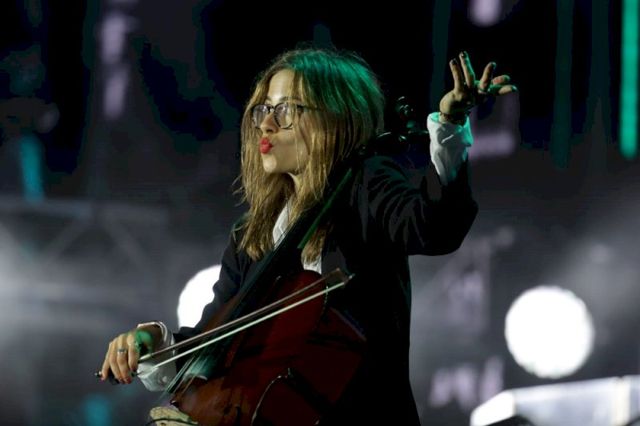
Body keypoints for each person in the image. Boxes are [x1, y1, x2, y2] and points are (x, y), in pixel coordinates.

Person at [100, 46, 517, 425]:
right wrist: (151, 340)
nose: (265, 124)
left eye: (284, 110)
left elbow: (433, 228)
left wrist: (450, 126)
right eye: (263, 109)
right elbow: (212, 342)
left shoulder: (365, 184)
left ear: (332, 118)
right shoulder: (252, 234)